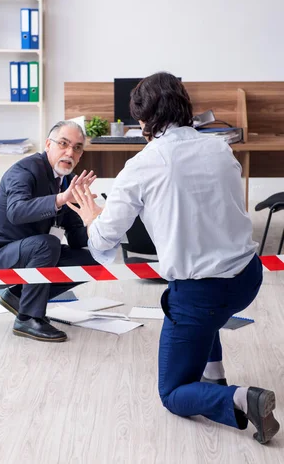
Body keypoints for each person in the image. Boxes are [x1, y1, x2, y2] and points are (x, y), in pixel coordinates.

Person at [67, 72, 280, 444]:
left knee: (173, 392)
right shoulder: (219, 147)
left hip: (202, 295)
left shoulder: (142, 165)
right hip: (248, 277)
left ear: (143, 120)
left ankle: (245, 399)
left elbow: (103, 239)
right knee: (204, 313)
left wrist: (89, 216)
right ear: (185, 107)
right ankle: (214, 377)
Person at [0, 120, 98, 342]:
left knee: (95, 258)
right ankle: (28, 318)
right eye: (63, 143)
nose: (70, 152)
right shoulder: (23, 170)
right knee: (47, 244)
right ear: (48, 144)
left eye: (77, 148)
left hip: (30, 254)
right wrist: (60, 199)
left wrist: (95, 220)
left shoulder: (67, 182)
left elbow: (77, 238)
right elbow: (16, 211)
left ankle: (18, 296)